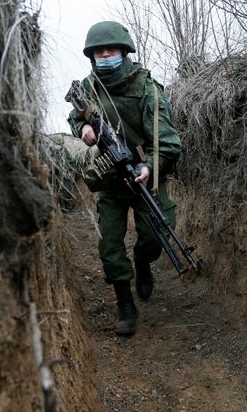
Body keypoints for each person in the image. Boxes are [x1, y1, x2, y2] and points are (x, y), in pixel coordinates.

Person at [68, 21, 181, 336]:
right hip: (110, 181)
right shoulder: (88, 88)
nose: (105, 55)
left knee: (156, 233)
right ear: (91, 56)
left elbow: (169, 144)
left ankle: (143, 263)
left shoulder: (146, 89)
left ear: (124, 51)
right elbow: (74, 115)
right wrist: (83, 129)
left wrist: (149, 168)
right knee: (110, 246)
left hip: (143, 174)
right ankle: (124, 302)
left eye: (111, 49)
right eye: (98, 52)